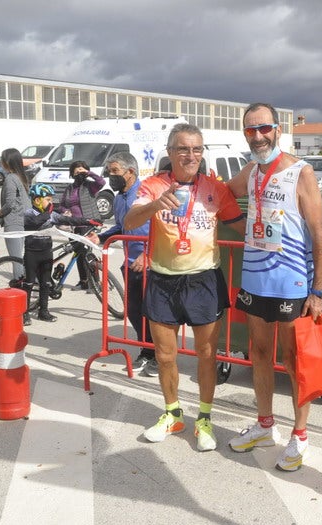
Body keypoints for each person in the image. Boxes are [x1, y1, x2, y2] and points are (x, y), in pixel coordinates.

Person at [123, 123, 245, 452]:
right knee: (165, 356)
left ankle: (203, 419)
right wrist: (154, 206)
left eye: (196, 149)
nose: (190, 155)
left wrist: (281, 229)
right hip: (163, 279)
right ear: (170, 152)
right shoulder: (152, 185)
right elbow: (129, 222)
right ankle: (172, 414)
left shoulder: (216, 189)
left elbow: (241, 226)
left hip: (203, 279)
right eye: (183, 149)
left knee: (207, 356)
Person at [225, 103, 322, 472]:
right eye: (250, 130)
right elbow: (222, 197)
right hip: (255, 277)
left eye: (263, 128)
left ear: (277, 130)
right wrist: (241, 227)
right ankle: (265, 425)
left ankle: (300, 435)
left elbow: (318, 232)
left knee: (294, 358)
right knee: (260, 354)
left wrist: (318, 290)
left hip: (291, 279)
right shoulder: (250, 171)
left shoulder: (301, 172)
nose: (257, 136)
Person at [89, 152, 158, 377]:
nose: (111, 176)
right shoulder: (119, 198)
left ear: (130, 172)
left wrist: (147, 254)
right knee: (135, 312)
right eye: (109, 172)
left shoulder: (146, 194)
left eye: (115, 171)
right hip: (129, 264)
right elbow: (122, 226)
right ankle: (146, 351)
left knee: (155, 314)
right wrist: (100, 237)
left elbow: (163, 229)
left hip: (152, 264)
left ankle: (159, 355)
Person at [22, 183, 98, 325]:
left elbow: (69, 220)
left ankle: (43, 311)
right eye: (48, 200)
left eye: (51, 200)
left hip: (46, 253)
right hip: (32, 253)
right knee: (29, 283)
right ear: (37, 200)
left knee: (45, 283)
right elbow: (37, 221)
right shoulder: (29, 213)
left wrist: (88, 221)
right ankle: (24, 313)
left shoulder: (51, 215)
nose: (51, 203)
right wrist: (49, 212)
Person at [57, 160, 105, 291]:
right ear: (71, 173)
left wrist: (88, 173)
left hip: (88, 223)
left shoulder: (90, 186)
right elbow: (61, 205)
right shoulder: (69, 189)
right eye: (76, 171)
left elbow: (102, 182)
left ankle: (95, 283)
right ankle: (83, 281)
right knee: (78, 253)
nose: (78, 173)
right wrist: (64, 211)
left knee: (87, 253)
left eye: (81, 170)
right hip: (73, 225)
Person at [0, 148, 30, 279]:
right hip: (25, 220)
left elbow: (10, 203)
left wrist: (0, 212)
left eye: (2, 159)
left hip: (14, 222)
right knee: (24, 258)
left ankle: (20, 288)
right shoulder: (22, 176)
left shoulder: (10, 179)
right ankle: (32, 285)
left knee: (16, 258)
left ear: (7, 162)